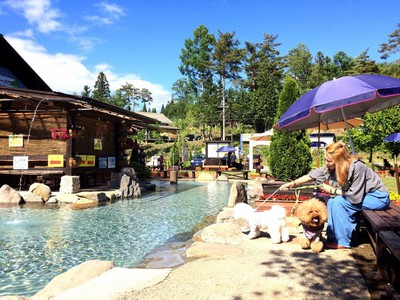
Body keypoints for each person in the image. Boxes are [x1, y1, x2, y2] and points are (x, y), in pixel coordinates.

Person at [280, 141, 390, 249]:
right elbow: (312, 175)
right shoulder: (331, 167)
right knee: (332, 201)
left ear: (338, 160)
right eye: (326, 160)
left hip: (377, 198)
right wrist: (292, 184)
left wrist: (332, 190)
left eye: (329, 161)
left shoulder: (357, 167)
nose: (326, 163)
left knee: (339, 202)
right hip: (362, 196)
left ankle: (343, 242)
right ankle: (333, 237)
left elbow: (355, 197)